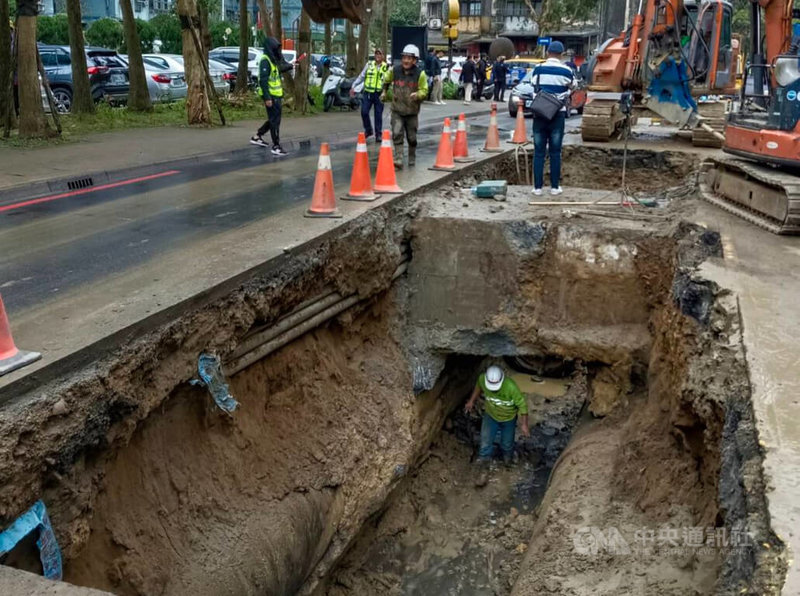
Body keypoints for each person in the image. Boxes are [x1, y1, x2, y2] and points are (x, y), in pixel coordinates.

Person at [464, 365, 529, 487]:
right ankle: (483, 469)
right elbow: (478, 386)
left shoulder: (511, 387)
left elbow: (522, 405)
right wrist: (471, 401)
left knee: (507, 444)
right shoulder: (482, 379)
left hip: (508, 419)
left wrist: (524, 424)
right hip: (491, 416)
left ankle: (508, 462)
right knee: (485, 442)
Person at [530, 41, 575, 196]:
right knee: (555, 152)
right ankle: (555, 187)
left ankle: (537, 188)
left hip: (539, 114)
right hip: (557, 115)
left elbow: (533, 84)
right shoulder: (566, 70)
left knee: (539, 152)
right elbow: (573, 86)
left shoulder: (538, 68)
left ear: (548, 52)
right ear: (561, 54)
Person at [381, 44, 428, 169]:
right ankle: (398, 158)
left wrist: (418, 95)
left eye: (409, 58)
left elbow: (424, 90)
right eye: (404, 58)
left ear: (415, 60)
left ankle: (412, 156)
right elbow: (386, 80)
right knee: (397, 133)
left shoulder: (420, 74)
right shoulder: (395, 70)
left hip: (412, 111)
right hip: (397, 109)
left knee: (412, 137)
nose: (406, 61)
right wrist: (384, 92)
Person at [250, 37, 292, 156]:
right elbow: (263, 81)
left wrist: (290, 66)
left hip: (276, 95)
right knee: (275, 120)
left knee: (274, 119)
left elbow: (277, 70)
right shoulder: (265, 60)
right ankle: (276, 146)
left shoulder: (272, 60)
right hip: (271, 96)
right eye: (276, 48)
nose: (278, 51)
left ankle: (257, 136)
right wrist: (267, 98)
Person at [351, 48, 389, 142]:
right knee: (364, 112)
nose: (378, 56)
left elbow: (389, 80)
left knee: (378, 115)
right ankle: (368, 130)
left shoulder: (386, 67)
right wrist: (354, 86)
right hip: (368, 93)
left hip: (379, 94)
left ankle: (378, 134)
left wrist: (387, 91)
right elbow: (361, 76)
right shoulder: (369, 65)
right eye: (376, 54)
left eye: (380, 54)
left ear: (383, 56)